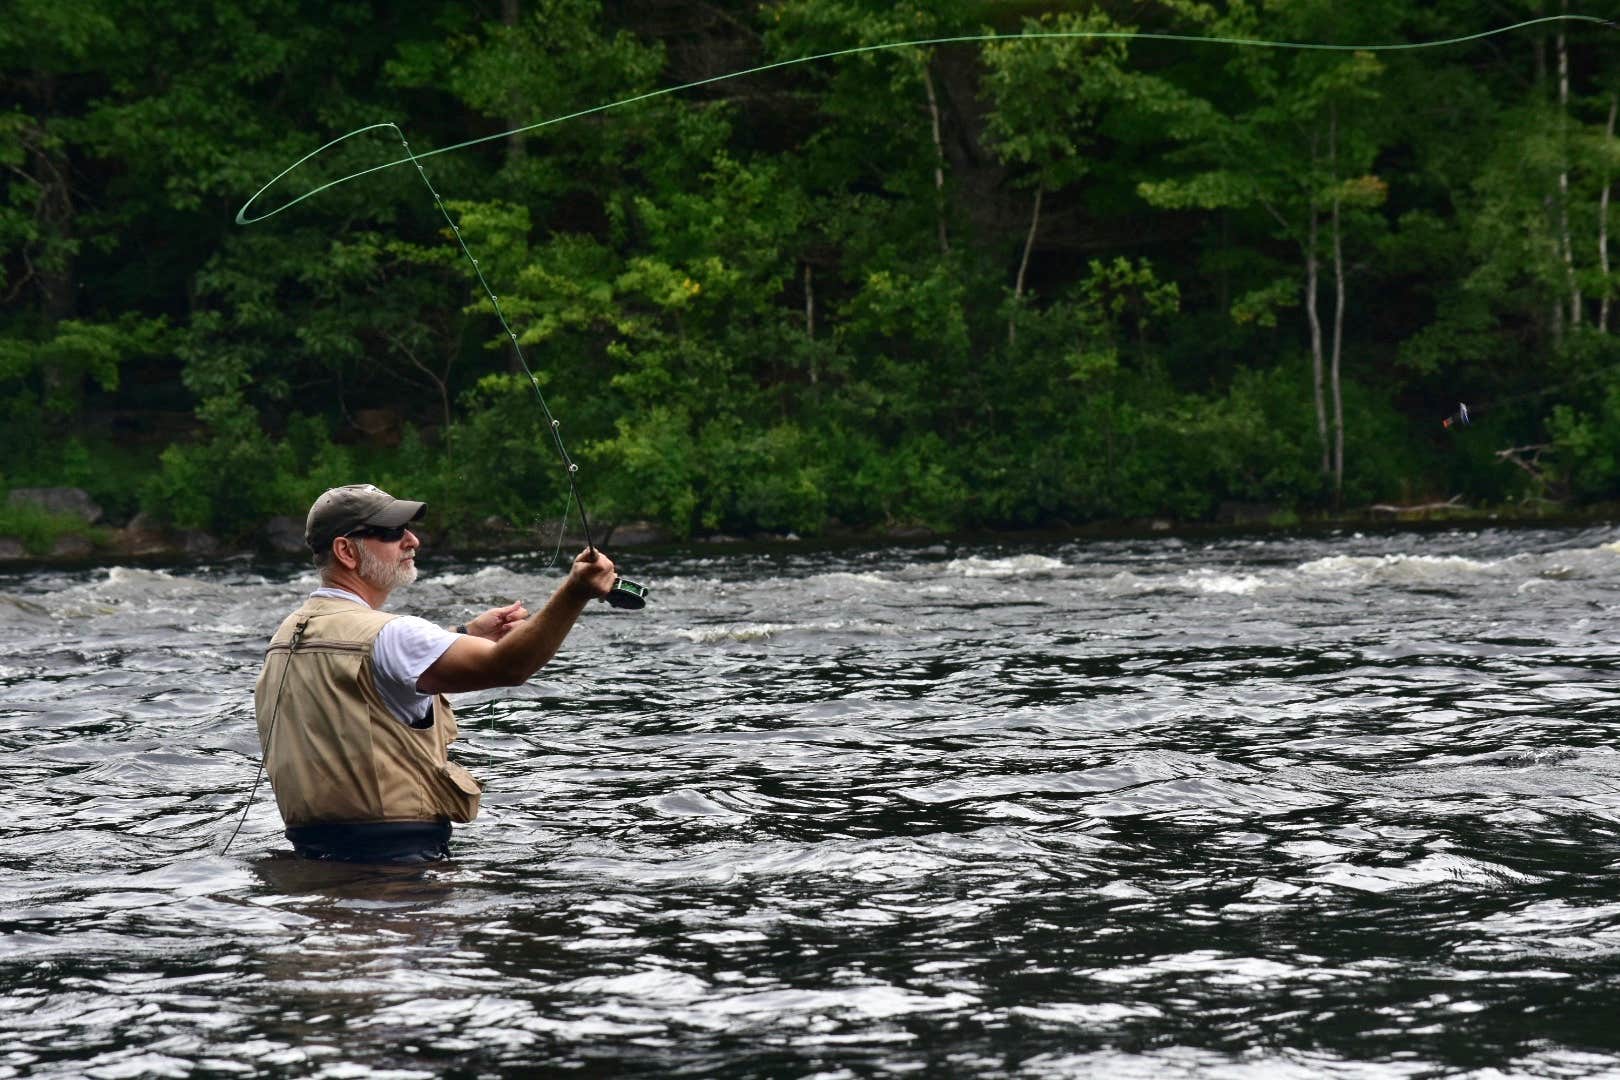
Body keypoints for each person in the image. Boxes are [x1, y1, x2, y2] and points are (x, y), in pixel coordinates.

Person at [253, 483, 617, 863]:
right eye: (394, 532)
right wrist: (575, 592)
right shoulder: (395, 634)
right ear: (346, 551)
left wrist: (464, 636)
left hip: (310, 864)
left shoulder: (285, 635)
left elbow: (371, 671)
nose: (413, 541)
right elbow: (508, 666)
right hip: (401, 870)